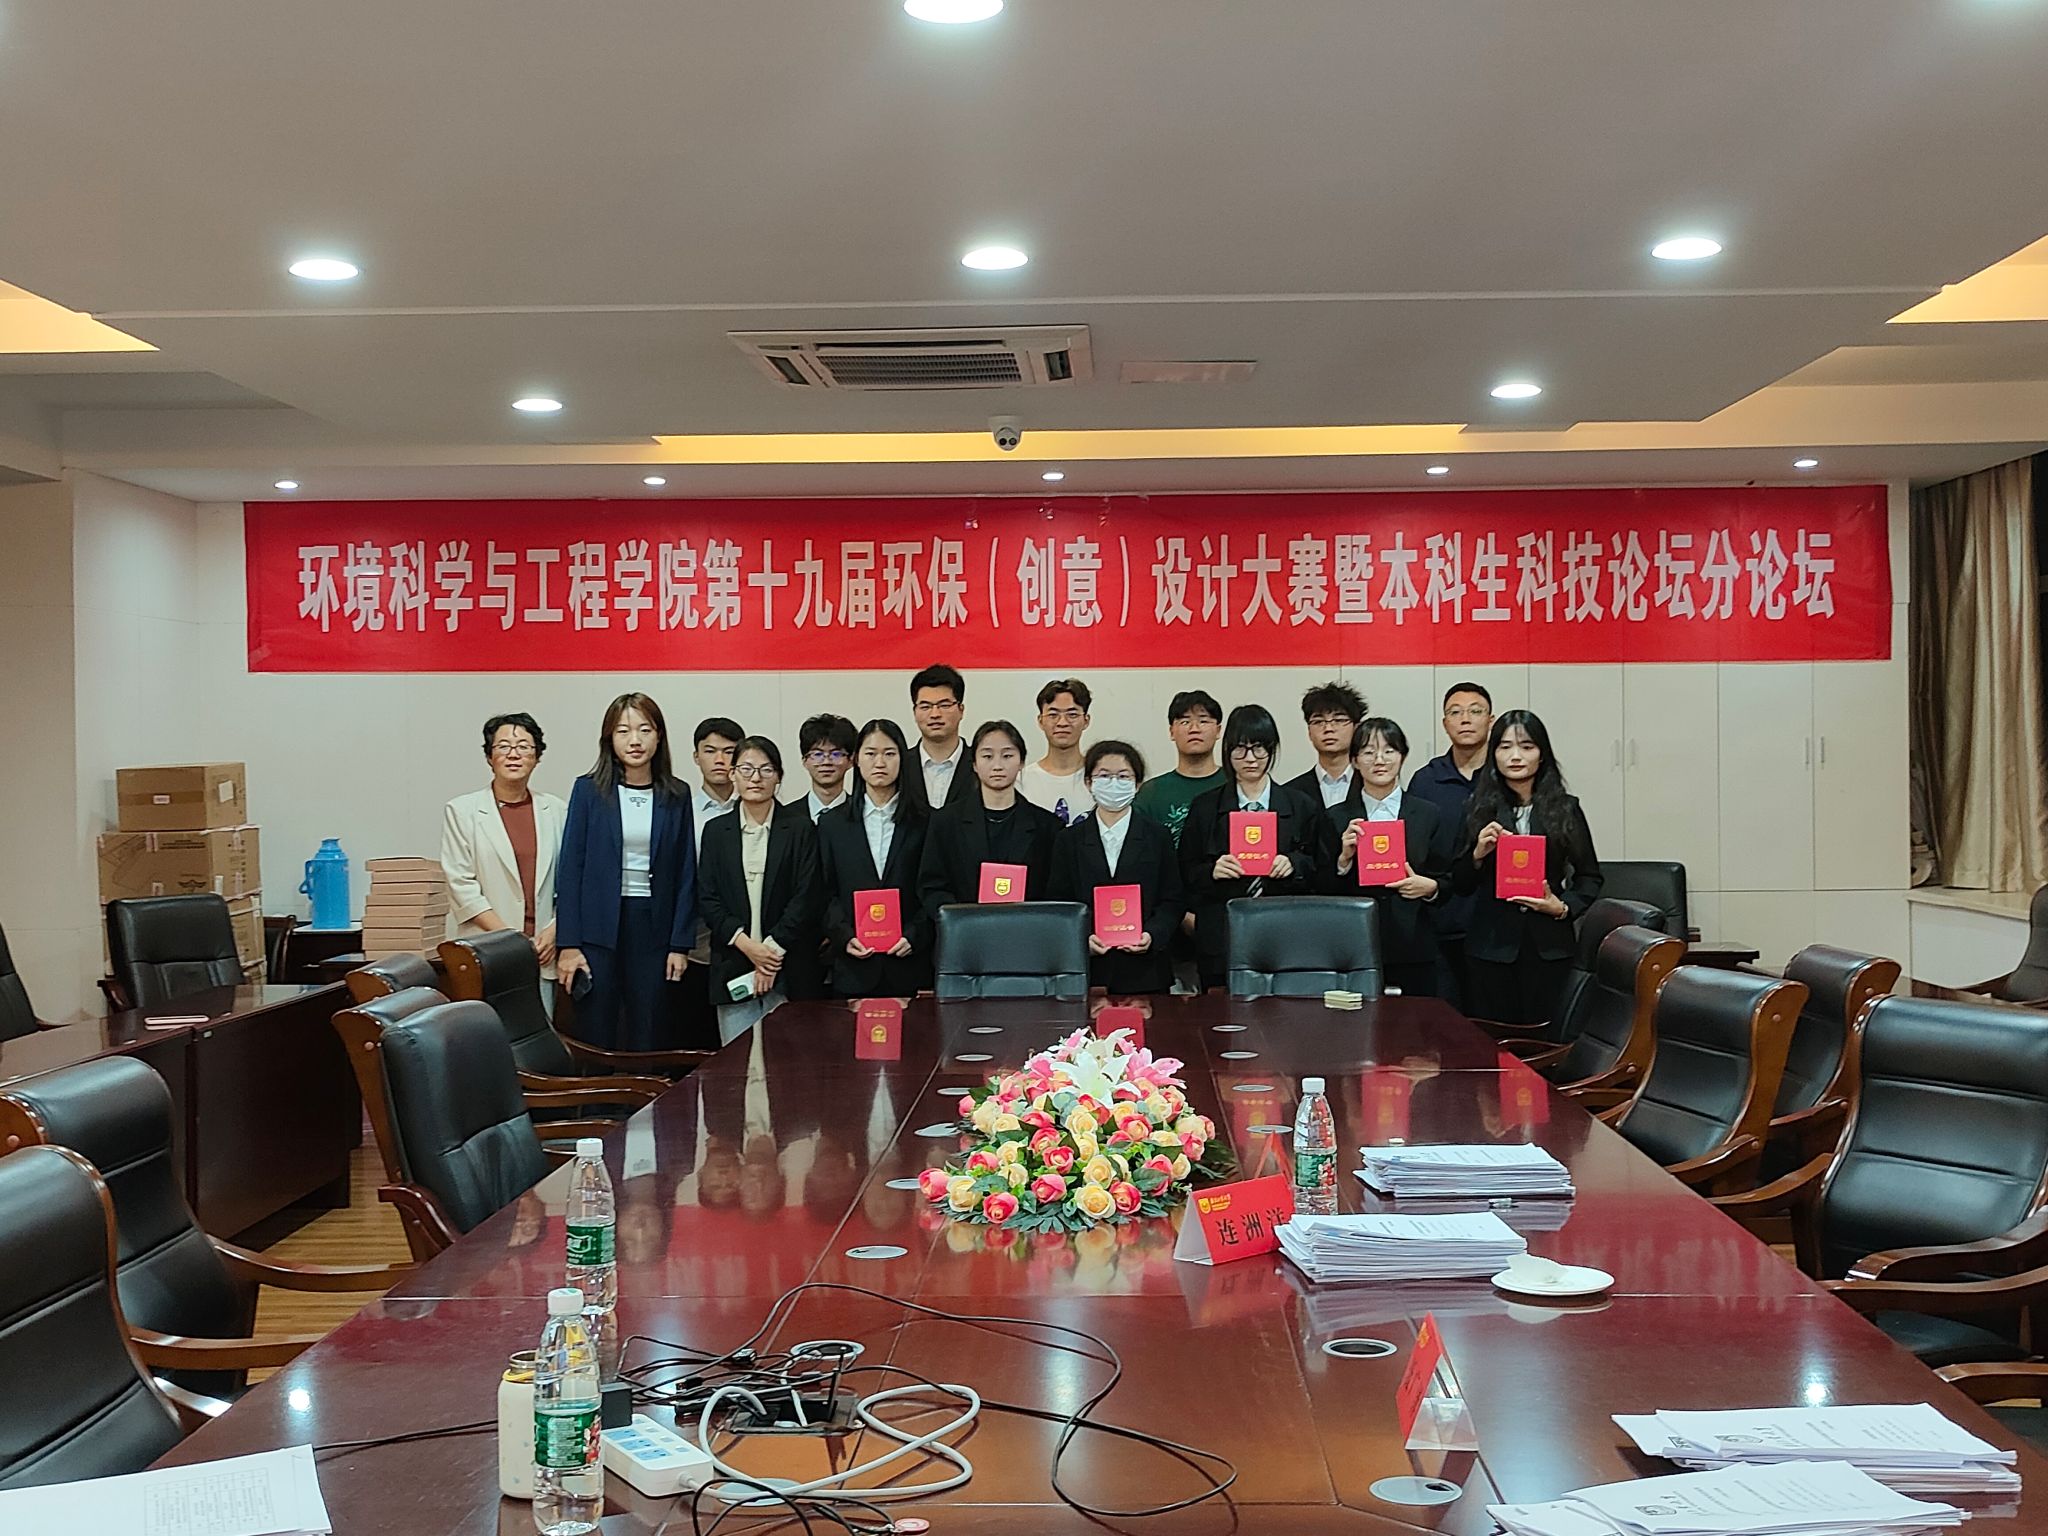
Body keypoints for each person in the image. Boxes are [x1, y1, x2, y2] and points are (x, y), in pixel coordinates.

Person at [555, 693, 697, 1051]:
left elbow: (685, 872)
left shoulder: (676, 794)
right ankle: (598, 1090)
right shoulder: (588, 791)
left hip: (653, 927)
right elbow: (570, 870)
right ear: (609, 739)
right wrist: (569, 944)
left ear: (659, 736)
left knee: (650, 1027)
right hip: (598, 928)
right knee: (596, 1028)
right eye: (623, 731)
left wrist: (679, 944)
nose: (635, 740)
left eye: (644, 730)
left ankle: (646, 1089)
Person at [1452, 709, 1605, 1026]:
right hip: (1491, 947)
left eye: (1526, 746)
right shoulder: (1476, 809)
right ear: (1493, 755)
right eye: (1505, 746)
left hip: (1549, 946)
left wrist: (1562, 908)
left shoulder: (1565, 808)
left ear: (1542, 753)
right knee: (1493, 1040)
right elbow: (1460, 883)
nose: (1515, 756)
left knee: (1547, 1036)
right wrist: (1477, 854)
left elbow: (1589, 877)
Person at [1179, 703, 1336, 991]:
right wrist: (1212, 871)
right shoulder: (1205, 808)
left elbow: (1323, 870)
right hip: (1222, 935)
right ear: (1227, 751)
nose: (1250, 758)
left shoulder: (1302, 806)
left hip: (1285, 933)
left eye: (1259, 748)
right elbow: (1184, 872)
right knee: (1220, 1010)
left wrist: (1294, 864)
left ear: (1272, 750)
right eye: (1240, 749)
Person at [697, 736, 821, 1044]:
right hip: (734, 964)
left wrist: (771, 953)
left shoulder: (800, 828)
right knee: (737, 1066)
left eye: (766, 769)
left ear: (778, 777)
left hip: (788, 968)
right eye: (746, 769)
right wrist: (748, 946)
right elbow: (708, 899)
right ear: (733, 774)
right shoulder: (716, 832)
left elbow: (806, 897)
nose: (756, 778)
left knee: (789, 1066)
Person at [441, 712, 567, 998]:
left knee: (540, 1024)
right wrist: (512, 941)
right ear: (489, 756)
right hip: (486, 949)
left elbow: (571, 881)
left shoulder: (557, 811)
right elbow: (462, 886)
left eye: (524, 746)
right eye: (503, 747)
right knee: (484, 1025)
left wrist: (554, 930)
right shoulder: (462, 811)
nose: (514, 754)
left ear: (537, 756)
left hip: (542, 951)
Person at [1049, 741, 1183, 995]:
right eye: (1104, 776)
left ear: (1138, 784)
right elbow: (1059, 901)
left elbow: (1172, 899)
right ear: (1088, 782)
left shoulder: (1157, 836)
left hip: (1147, 972)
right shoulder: (1069, 840)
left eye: (1123, 776)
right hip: (1088, 971)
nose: (1113, 783)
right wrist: (1083, 937)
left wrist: (1152, 935)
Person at [1333, 717, 1453, 999]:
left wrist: (1430, 888)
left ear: (1402, 757)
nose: (1379, 760)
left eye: (1389, 751)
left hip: (1414, 945)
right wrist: (1344, 860)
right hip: (1355, 946)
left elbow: (1448, 877)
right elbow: (1322, 887)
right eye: (1368, 752)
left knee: (1415, 1022)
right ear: (1354, 761)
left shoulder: (1428, 814)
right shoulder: (1336, 817)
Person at [818, 718, 933, 998]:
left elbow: (933, 888)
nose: (880, 762)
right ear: (856, 760)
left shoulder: (927, 821)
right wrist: (844, 937)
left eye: (889, 753)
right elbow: (823, 891)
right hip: (853, 967)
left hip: (909, 965)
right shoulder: (832, 824)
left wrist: (914, 935)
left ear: (903, 760)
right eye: (871, 753)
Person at [919, 719, 1063, 921]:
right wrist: (960, 919)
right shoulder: (945, 822)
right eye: (987, 756)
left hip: (1027, 931)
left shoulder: (1048, 826)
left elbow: (1056, 893)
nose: (997, 765)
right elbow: (931, 886)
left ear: (1021, 762)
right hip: (964, 931)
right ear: (974, 764)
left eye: (1007, 756)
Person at [1406, 681, 1495, 1007]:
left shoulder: (1505, 777)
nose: (1465, 719)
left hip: (1495, 928)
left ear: (1491, 720)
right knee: (1443, 1019)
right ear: (1445, 724)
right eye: (1456, 713)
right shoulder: (1426, 780)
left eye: (1475, 711)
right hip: (1438, 922)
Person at [673, 716, 744, 1047]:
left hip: (742, 944)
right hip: (693, 946)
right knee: (692, 1040)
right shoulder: (680, 811)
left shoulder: (757, 809)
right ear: (695, 756)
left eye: (729, 752)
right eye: (710, 751)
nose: (720, 760)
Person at [1132, 689, 1226, 845]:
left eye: (1203, 721)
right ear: (1171, 732)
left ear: (1218, 730)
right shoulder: (1151, 792)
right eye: (1185, 722)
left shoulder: (1235, 784)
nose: (1194, 729)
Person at [1284, 679, 1368, 829]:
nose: (1328, 728)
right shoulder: (1290, 793)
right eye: (1318, 721)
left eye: (1339, 720)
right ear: (1309, 732)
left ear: (1356, 728)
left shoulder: (1371, 786)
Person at [1018, 677, 1094, 825]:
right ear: (1040, 721)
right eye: (1053, 715)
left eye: (1072, 715)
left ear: (1086, 721)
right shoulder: (1022, 780)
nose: (1062, 723)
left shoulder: (1099, 779)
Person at [909, 663, 976, 809]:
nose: (935, 714)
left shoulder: (980, 765)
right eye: (925, 707)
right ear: (915, 712)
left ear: (961, 710)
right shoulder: (900, 765)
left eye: (944, 705)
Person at [795, 714, 858, 823]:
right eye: (817, 754)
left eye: (836, 754)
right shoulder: (786, 817)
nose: (826, 762)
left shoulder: (861, 815)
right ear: (804, 761)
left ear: (851, 761)